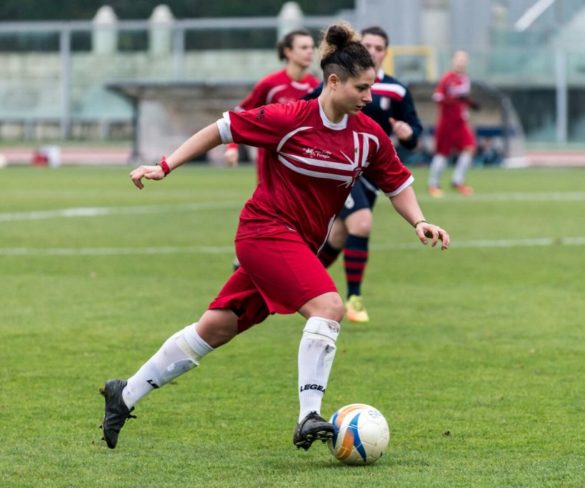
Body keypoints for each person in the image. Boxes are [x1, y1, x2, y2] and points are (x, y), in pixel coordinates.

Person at [100, 22, 450, 452]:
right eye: (361, 88)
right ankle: (309, 416)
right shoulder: (291, 118)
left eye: (371, 88)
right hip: (263, 231)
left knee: (216, 327)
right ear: (334, 81)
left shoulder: (368, 136)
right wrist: (164, 166)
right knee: (329, 306)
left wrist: (418, 221)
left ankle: (125, 393)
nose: (369, 97)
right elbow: (221, 128)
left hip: (297, 245)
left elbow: (397, 184)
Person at [313, 26, 423, 323]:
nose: (373, 51)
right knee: (361, 223)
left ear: (386, 53)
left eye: (378, 47)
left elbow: (415, 133)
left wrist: (408, 133)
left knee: (338, 235)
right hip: (342, 169)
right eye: (368, 45)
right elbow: (312, 107)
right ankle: (355, 298)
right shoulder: (341, 82)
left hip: (374, 174)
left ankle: (300, 283)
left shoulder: (397, 90)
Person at [224, 28, 320, 173]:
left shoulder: (316, 87)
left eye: (312, 47)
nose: (310, 51)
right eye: (304, 47)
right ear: (288, 51)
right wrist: (232, 148)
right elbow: (240, 113)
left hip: (303, 158)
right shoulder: (270, 84)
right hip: (271, 160)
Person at [428, 50, 479, 197]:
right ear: (453, 61)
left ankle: (458, 180)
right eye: (459, 59)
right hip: (447, 122)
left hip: (460, 122)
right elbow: (438, 97)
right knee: (443, 153)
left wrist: (470, 103)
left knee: (469, 148)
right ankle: (433, 184)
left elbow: (463, 99)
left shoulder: (465, 79)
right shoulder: (447, 78)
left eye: (464, 59)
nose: (461, 62)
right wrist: (453, 100)